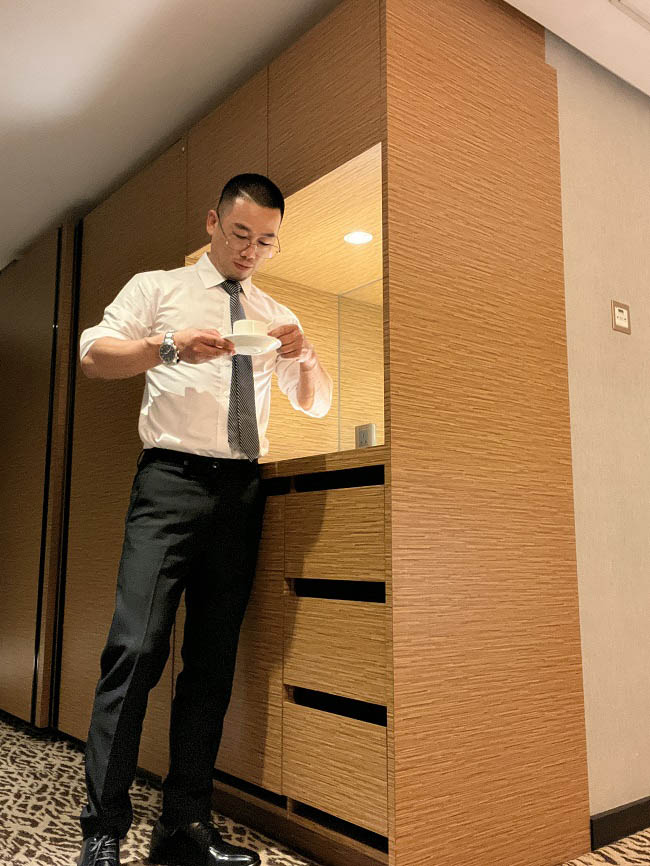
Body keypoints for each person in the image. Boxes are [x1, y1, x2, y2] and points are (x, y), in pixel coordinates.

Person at [75, 173, 333, 866]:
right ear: (213, 221)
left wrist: (304, 353)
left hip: (241, 489)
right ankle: (103, 829)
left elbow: (314, 404)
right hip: (170, 482)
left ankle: (184, 826)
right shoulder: (159, 288)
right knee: (136, 650)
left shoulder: (272, 312)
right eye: (241, 233)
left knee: (212, 663)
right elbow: (93, 357)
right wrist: (168, 347)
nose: (251, 250)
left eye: (266, 241)